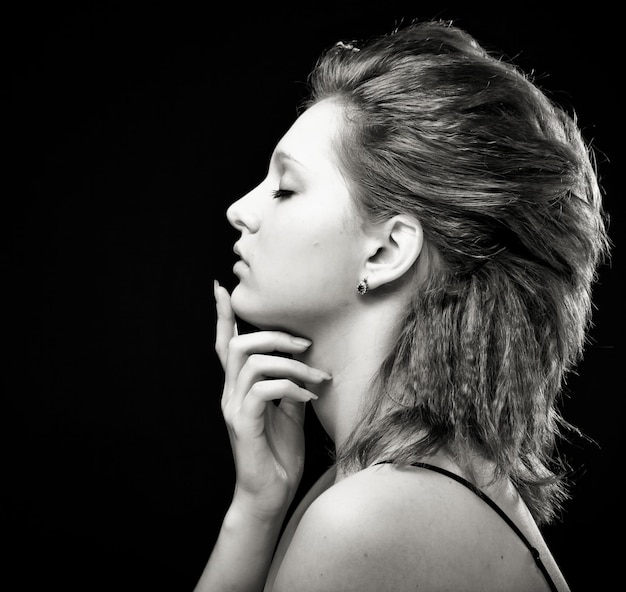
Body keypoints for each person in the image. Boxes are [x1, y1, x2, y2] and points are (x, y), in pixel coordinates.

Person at [194, 19, 609, 592]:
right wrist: (257, 507)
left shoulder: (371, 519)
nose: (239, 209)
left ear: (388, 251)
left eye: (285, 188)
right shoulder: (389, 484)